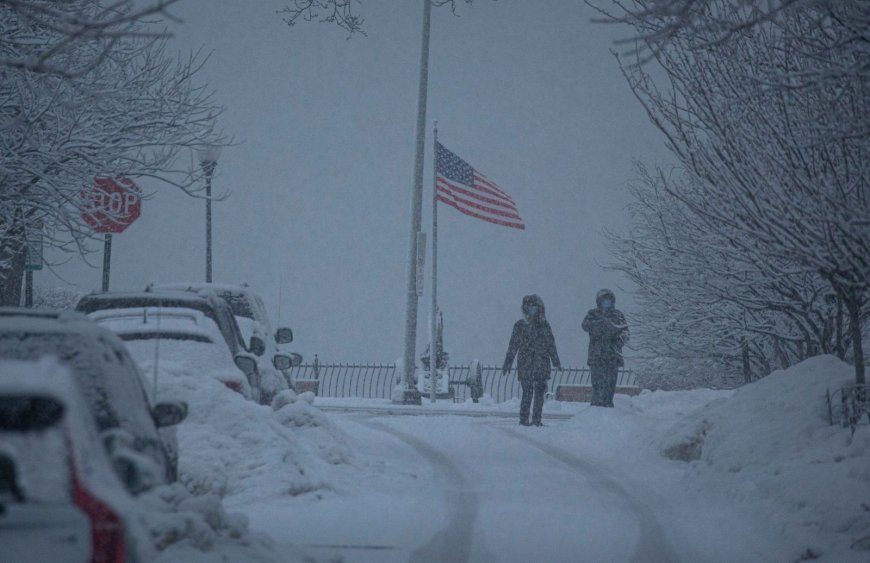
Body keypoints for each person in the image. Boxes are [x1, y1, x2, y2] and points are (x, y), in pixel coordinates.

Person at [502, 295, 561, 426]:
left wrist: (556, 361)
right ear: (525, 308)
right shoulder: (520, 325)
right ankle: (524, 420)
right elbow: (513, 346)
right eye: (530, 306)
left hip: (540, 363)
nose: (532, 309)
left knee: (539, 393)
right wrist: (508, 363)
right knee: (527, 393)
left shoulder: (544, 325)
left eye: (535, 306)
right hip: (526, 364)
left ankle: (536, 420)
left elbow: (551, 344)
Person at [581, 289, 629, 407]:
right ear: (599, 301)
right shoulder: (592, 314)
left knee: (610, 384)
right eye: (604, 300)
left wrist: (616, 343)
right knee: (597, 384)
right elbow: (585, 326)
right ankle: (596, 407)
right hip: (596, 356)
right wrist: (600, 324)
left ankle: (608, 407)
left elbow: (625, 334)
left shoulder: (618, 314)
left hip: (613, 356)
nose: (606, 302)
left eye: (608, 300)